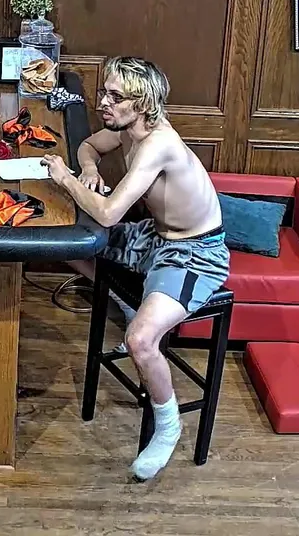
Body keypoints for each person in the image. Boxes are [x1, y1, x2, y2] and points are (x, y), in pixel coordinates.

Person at [41, 56, 229, 482]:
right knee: (65, 244)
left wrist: (66, 179)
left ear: (141, 103)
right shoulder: (126, 128)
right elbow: (88, 147)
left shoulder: (158, 143)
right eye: (104, 92)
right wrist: (88, 169)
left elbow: (108, 214)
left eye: (115, 96)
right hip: (153, 237)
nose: (102, 103)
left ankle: (168, 427)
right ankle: (130, 305)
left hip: (195, 254)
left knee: (141, 342)